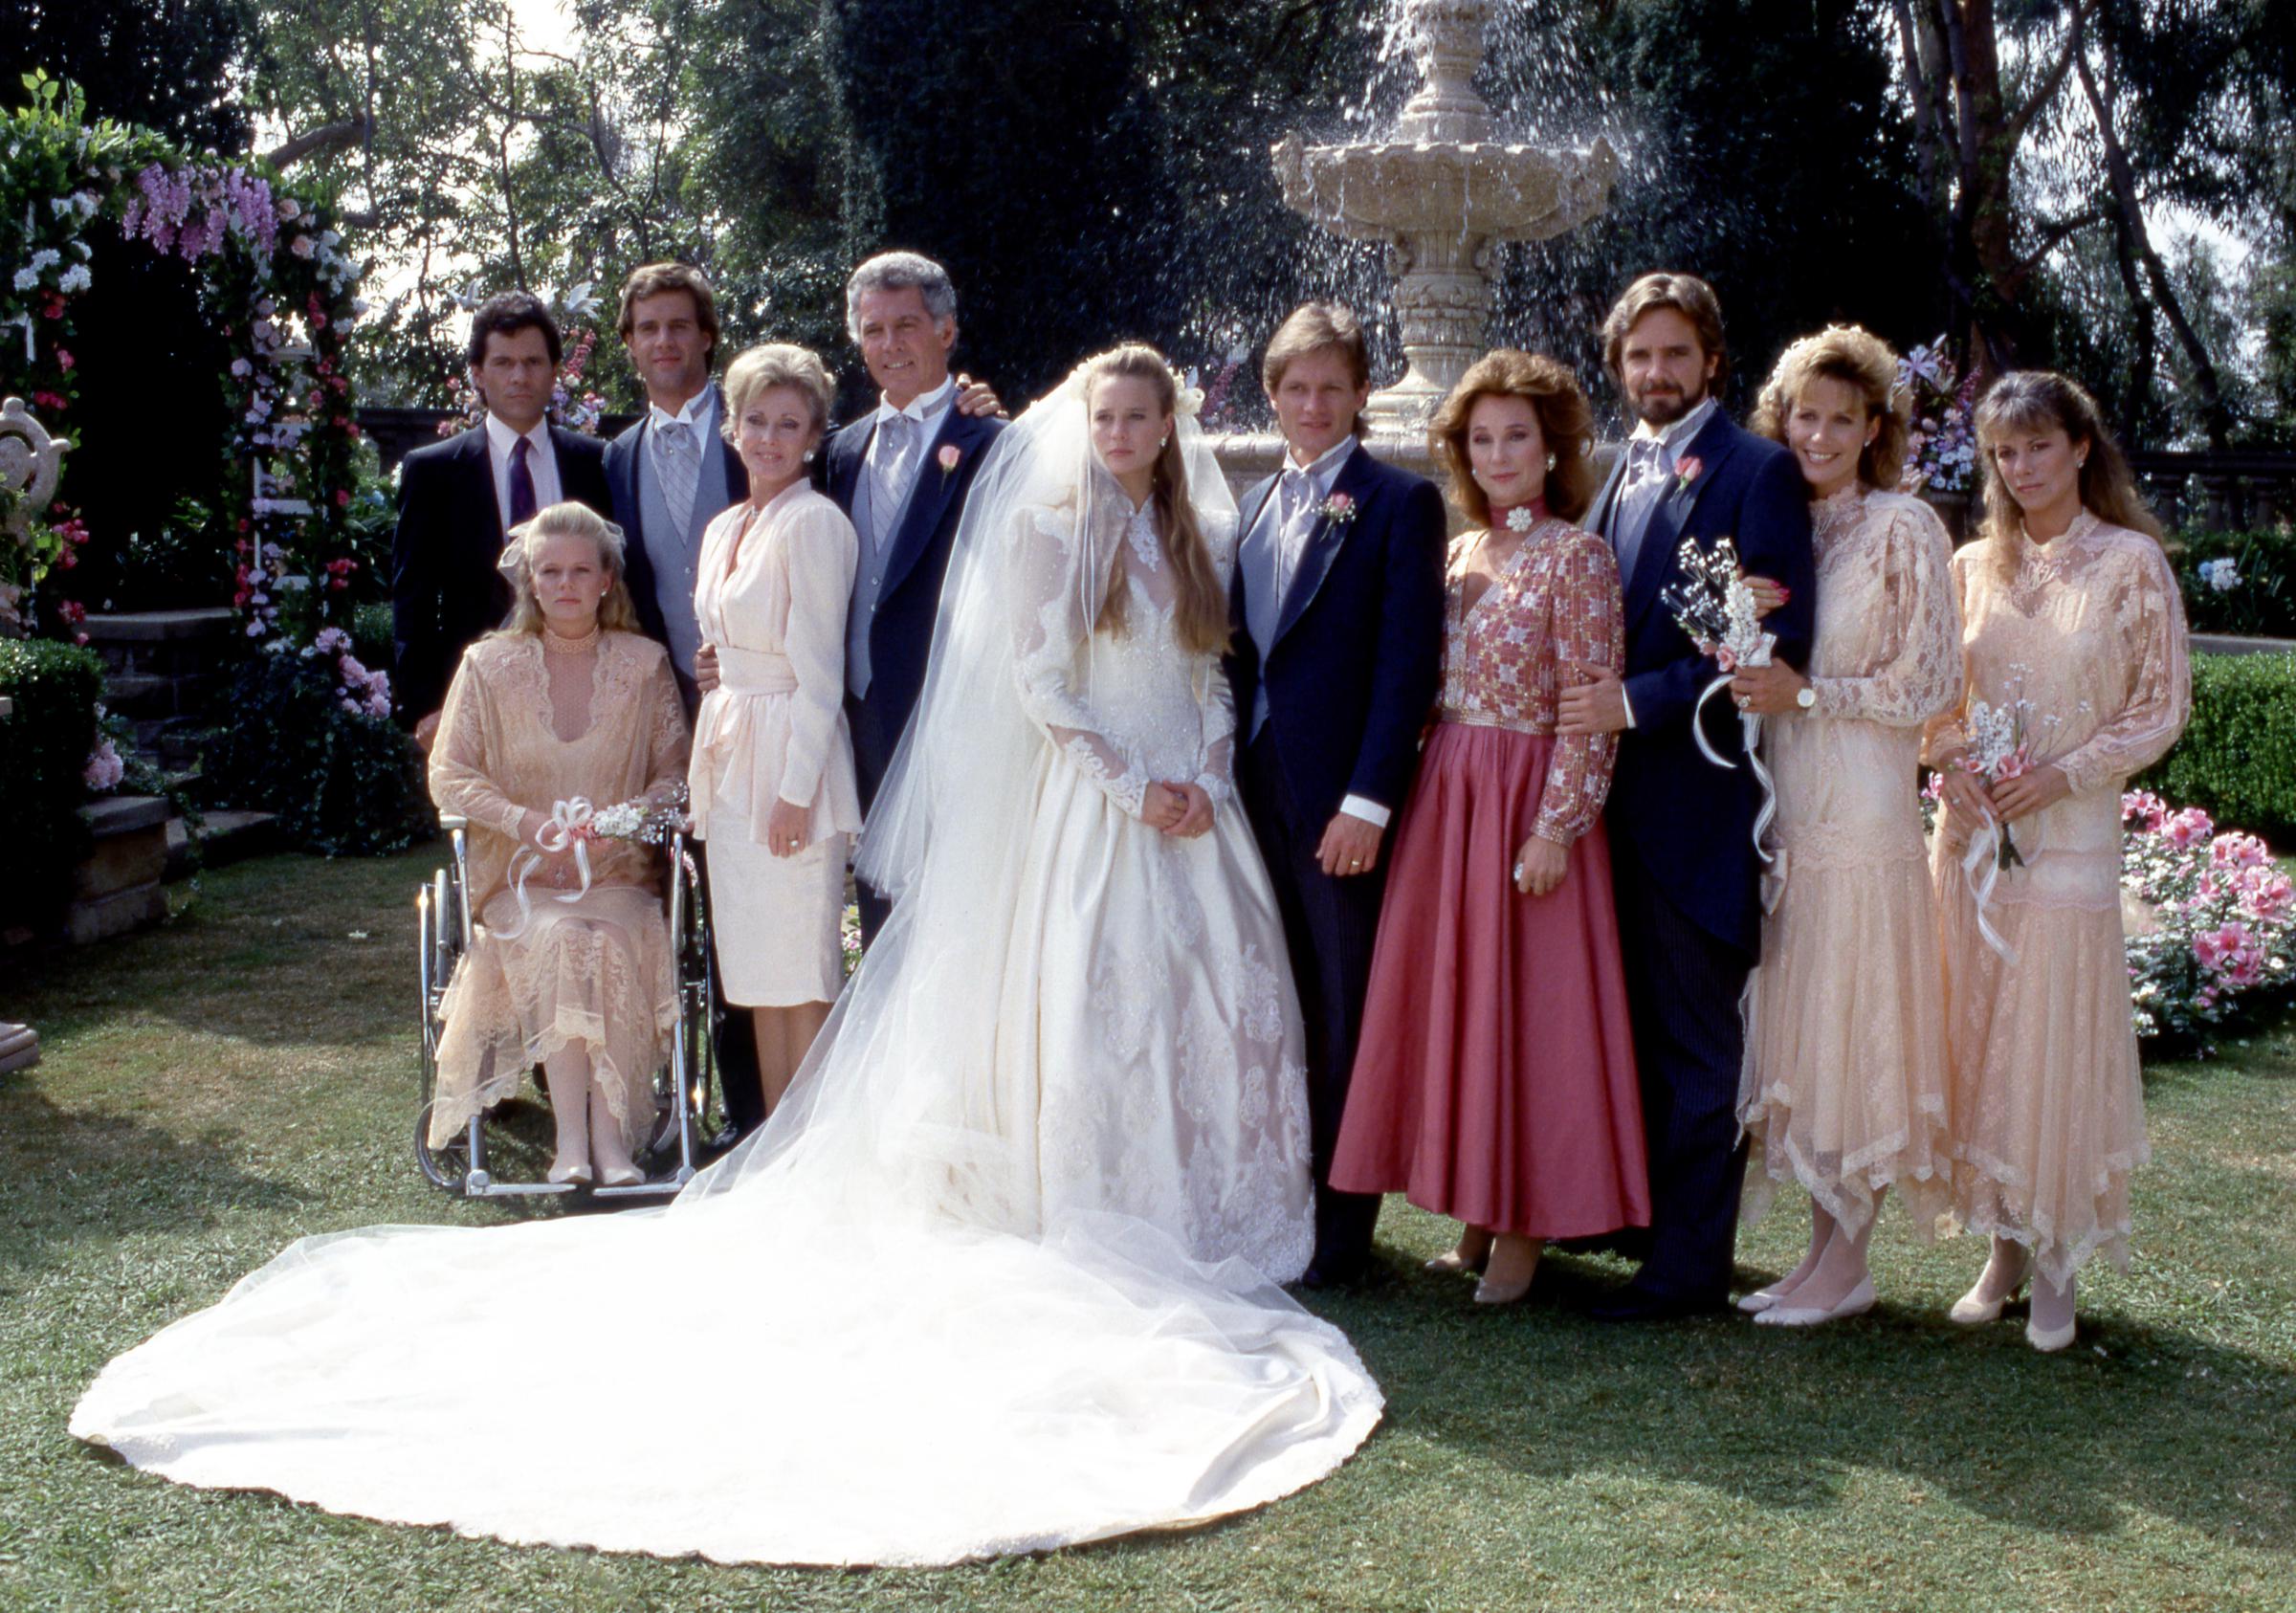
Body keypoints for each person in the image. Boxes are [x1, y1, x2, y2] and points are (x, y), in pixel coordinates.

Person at [72, 344, 1378, 1565]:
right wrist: (1127, 778)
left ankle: (1209, 1205)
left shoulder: (1192, 533)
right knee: (1073, 1012)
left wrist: (1199, 768)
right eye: (1108, 418)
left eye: (1145, 420)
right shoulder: (1045, 532)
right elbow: (1041, 681)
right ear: (1083, 429)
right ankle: (1086, 1191)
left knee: (1204, 1004)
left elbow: (1212, 675)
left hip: (1185, 817)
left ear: (1173, 431)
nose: (1127, 436)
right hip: (1089, 810)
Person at [1331, 351, 1648, 1305]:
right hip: (1450, 793)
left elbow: (1591, 707)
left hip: (1525, 801)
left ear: (1552, 449)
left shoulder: (1579, 556)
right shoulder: (1460, 554)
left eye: (1518, 436)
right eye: (1482, 439)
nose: (1500, 454)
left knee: (1528, 1013)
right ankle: (1473, 1214)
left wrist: (1558, 825)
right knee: (1460, 1004)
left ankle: (1524, 1226)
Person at [1556, 271, 1817, 1321]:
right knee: (1628, 1028)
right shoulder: (1618, 474)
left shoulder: (1756, 473)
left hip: (1696, 803)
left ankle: (1688, 1272)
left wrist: (1636, 702)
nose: (1655, 374)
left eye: (1675, 354)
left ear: (1713, 361)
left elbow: (1770, 646)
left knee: (1698, 1043)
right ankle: (1638, 1231)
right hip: (1610, 806)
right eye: (1638, 356)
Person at [1924, 370, 2189, 1352]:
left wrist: (2065, 774)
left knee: (2052, 1047)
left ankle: (2056, 1262)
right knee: (1980, 1037)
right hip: (1974, 841)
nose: (2020, 467)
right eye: (2002, 451)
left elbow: (2160, 708)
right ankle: (1998, 1248)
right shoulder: (1967, 568)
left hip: (2069, 840)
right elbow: (1934, 699)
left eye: (2037, 446)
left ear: (2080, 448)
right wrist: (1951, 763)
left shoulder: (2130, 565)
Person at [1725, 326, 1962, 1326]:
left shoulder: (1906, 528)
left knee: (1857, 1012)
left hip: (1863, 801)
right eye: (1803, 415)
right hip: (1790, 791)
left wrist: (1809, 694)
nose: (1818, 435)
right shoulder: (1777, 526)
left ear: (1876, 428)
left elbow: (1932, 682)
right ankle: (1822, 1253)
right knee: (1802, 1013)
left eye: (1841, 418)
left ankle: (1850, 1258)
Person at [1228, 301, 1448, 1288]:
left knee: (1345, 998)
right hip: (1253, 781)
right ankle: (1283, 1197)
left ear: (1363, 395)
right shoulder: (1253, 503)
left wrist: (1370, 799)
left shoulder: (1398, 503)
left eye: (1331, 387)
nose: (1312, 404)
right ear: (1271, 397)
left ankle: (1343, 1229)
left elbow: (1407, 662)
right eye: (1294, 387)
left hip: (1339, 799)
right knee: (1278, 996)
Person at [426, 501, 690, 1187]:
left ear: (607, 579)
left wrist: (619, 821)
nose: (566, 584)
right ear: (529, 581)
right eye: (550, 571)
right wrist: (523, 822)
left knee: (597, 936)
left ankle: (612, 1140)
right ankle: (572, 1141)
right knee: (567, 937)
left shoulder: (645, 663)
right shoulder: (486, 666)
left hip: (617, 878)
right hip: (523, 883)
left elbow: (677, 774)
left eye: (581, 570)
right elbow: (448, 775)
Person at [599, 262, 773, 1141]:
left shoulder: (761, 434)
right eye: (647, 329)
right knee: (673, 912)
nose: (664, 342)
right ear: (630, 347)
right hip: (663, 725)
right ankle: (668, 1100)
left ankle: (756, 1109)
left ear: (707, 335)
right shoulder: (613, 456)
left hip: (760, 713)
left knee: (752, 910)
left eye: (679, 325)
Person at [689, 343, 863, 1119]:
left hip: (792, 760)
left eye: (787, 424)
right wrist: (720, 662)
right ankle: (772, 1139)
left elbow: (821, 676)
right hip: (730, 750)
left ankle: (814, 1141)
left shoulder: (814, 524)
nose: (768, 437)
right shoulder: (726, 525)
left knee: (803, 963)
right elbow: (733, 631)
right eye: (755, 420)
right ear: (732, 427)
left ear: (813, 436)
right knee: (757, 968)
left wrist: (796, 795)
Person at [817, 251, 1006, 941]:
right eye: (873, 331)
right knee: (880, 909)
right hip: (862, 713)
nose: (889, 346)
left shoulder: (990, 442)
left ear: (946, 331)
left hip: (948, 709)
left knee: (953, 913)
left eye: (907, 326)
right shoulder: (842, 450)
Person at [392, 291, 612, 748]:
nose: (519, 376)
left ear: (555, 371)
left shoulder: (595, 464)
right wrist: (425, 707)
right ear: (478, 373)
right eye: (504, 362)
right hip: (471, 700)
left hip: (586, 698)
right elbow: (412, 598)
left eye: (533, 362)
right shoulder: (434, 471)